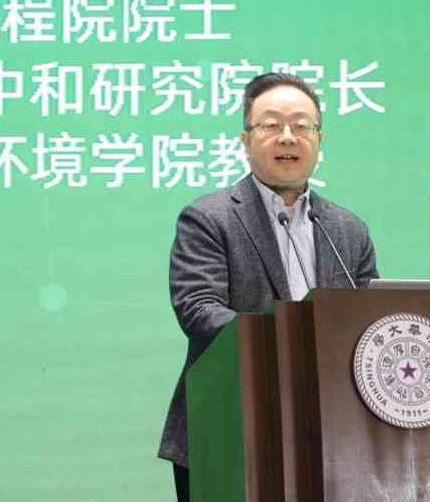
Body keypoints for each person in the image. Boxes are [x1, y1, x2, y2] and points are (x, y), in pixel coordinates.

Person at [157, 72, 379, 501]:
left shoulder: (348, 230)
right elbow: (199, 309)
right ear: (246, 141)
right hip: (229, 428)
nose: (287, 137)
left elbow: (369, 321)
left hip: (332, 435)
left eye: (301, 126)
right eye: (272, 125)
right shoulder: (208, 219)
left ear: (319, 140)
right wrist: (290, 343)